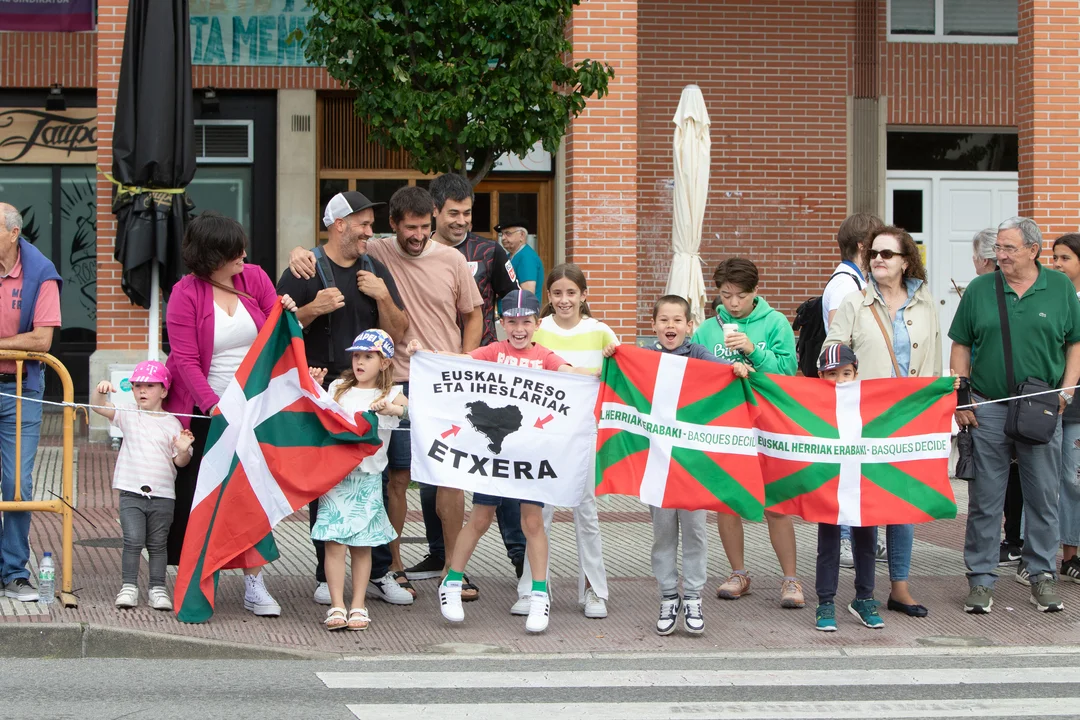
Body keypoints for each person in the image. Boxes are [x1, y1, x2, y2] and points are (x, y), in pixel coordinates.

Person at [289, 186, 484, 598]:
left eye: (425, 226)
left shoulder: (410, 262)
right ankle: (357, 572)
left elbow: (433, 323)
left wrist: (464, 362)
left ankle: (425, 570)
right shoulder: (344, 259)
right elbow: (282, 316)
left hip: (413, 385)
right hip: (356, 386)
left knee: (419, 477)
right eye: (409, 227)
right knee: (359, 478)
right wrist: (301, 267)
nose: (418, 234)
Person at [408, 288, 594, 633]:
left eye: (526, 322)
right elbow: (458, 361)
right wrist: (424, 354)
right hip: (492, 456)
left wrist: (603, 371)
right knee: (479, 519)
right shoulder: (494, 351)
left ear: (537, 324)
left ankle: (539, 595)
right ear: (502, 323)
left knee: (533, 522)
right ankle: (452, 582)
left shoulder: (544, 356)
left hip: (529, 458)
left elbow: (571, 372)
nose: (519, 329)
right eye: (512, 322)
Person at [276, 191, 411, 608]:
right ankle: (325, 575)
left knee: (377, 479)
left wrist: (383, 297)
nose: (371, 231)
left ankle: (380, 572)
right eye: (364, 224)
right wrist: (312, 309)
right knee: (325, 481)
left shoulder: (374, 269)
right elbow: (274, 329)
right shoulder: (304, 269)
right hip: (323, 389)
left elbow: (398, 332)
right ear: (340, 225)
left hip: (371, 392)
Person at [163, 211, 296, 617]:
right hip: (207, 414)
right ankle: (197, 581)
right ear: (210, 257)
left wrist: (290, 310)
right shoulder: (184, 294)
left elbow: (277, 331)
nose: (243, 255)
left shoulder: (254, 278)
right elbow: (185, 361)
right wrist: (214, 408)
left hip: (254, 411)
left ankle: (255, 582)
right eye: (233, 251)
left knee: (252, 495)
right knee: (202, 501)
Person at [952, 216, 1080, 615]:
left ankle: (1042, 576)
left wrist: (1067, 390)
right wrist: (962, 398)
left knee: (1043, 496)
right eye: (999, 248)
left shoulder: (1059, 287)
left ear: (1033, 250)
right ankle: (981, 579)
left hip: (1041, 406)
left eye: (1009, 248)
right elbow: (961, 344)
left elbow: (1075, 343)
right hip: (988, 407)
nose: (1001, 255)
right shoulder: (980, 289)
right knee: (985, 499)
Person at [407, 174, 526, 588]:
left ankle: (520, 558)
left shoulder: (489, 251)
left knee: (498, 462)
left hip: (485, 375)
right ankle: (441, 554)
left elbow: (515, 300)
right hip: (432, 375)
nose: (461, 221)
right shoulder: (415, 249)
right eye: (453, 213)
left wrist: (516, 349)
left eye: (467, 213)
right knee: (433, 465)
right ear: (434, 211)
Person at [823, 225, 941, 617]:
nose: (877, 259)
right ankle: (865, 590)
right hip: (865, 417)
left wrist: (936, 404)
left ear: (906, 261)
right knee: (869, 502)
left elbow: (933, 360)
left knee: (902, 503)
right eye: (873, 253)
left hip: (908, 417)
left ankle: (900, 588)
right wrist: (846, 372)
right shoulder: (855, 302)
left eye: (887, 254)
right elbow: (831, 350)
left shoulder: (925, 303)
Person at [616, 295, 749, 635]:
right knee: (662, 535)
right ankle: (667, 595)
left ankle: (692, 596)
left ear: (690, 325)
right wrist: (612, 357)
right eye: (664, 320)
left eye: (677, 320)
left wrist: (736, 369)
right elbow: (622, 374)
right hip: (658, 466)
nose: (670, 326)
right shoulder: (645, 358)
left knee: (695, 533)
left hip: (693, 467)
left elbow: (723, 376)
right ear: (653, 325)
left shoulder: (699, 355)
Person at [502, 263, 614, 620]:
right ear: (548, 297)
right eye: (557, 293)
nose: (564, 300)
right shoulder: (540, 329)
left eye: (571, 292)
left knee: (586, 512)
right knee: (539, 513)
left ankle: (594, 590)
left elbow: (620, 375)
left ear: (584, 295)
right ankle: (533, 589)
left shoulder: (601, 331)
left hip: (585, 433)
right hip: (542, 434)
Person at [691, 258, 803, 609]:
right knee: (728, 501)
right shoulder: (707, 329)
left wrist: (753, 350)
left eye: (740, 295)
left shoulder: (775, 322)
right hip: (726, 425)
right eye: (726, 295)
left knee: (775, 503)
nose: (733, 303)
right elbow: (693, 374)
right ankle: (738, 573)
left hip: (769, 423)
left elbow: (788, 371)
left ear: (756, 291)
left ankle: (791, 579)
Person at [308, 330, 406, 631]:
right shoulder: (338, 387)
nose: (360, 362)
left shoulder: (392, 393)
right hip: (336, 476)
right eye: (356, 356)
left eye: (368, 356)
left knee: (362, 545)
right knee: (334, 543)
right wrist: (315, 386)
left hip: (368, 477)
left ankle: (359, 604)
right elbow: (320, 413)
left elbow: (409, 412)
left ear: (385, 362)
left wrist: (392, 409)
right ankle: (337, 604)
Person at [90, 362, 194, 611]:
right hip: (131, 492)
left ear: (164, 391)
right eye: (137, 386)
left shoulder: (173, 423)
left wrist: (183, 450)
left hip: (164, 495)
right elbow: (98, 407)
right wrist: (100, 390)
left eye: (150, 386)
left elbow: (180, 462)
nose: (142, 391)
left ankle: (158, 588)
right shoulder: (128, 413)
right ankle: (129, 587)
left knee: (158, 544)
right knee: (133, 540)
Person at [0, 203, 61, 602]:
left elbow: (42, 340)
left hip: (21, 389)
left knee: (18, 484)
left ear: (13, 233)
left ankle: (15, 571)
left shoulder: (41, 272)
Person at [822, 213, 880, 570]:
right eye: (876, 246)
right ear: (862, 246)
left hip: (854, 388)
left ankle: (853, 534)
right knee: (848, 462)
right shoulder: (846, 285)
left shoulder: (853, 280)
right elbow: (839, 341)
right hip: (848, 389)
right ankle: (846, 537)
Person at [812, 345, 883, 632]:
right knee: (828, 540)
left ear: (856, 374)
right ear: (820, 376)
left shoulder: (867, 401)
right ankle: (825, 601)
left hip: (862, 479)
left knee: (866, 540)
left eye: (846, 373)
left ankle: (864, 598)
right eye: (832, 374)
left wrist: (947, 387)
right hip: (830, 480)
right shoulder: (812, 403)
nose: (840, 380)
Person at [972, 227, 1024, 567]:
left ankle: (1017, 543)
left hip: (1019, 401)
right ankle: (997, 553)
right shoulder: (980, 292)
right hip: (990, 398)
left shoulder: (997, 292)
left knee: (1018, 478)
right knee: (995, 485)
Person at [1052, 233, 1080, 584]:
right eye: (1055, 257)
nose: (1057, 264)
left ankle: (1071, 554)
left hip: (1076, 408)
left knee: (1074, 479)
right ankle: (1041, 554)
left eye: (1065, 258)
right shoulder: (1052, 297)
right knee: (1046, 480)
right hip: (1048, 404)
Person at [498, 218, 544, 295]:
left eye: (508, 233)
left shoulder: (527, 257)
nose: (503, 238)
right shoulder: (510, 256)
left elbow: (527, 294)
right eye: (502, 234)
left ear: (522, 235)